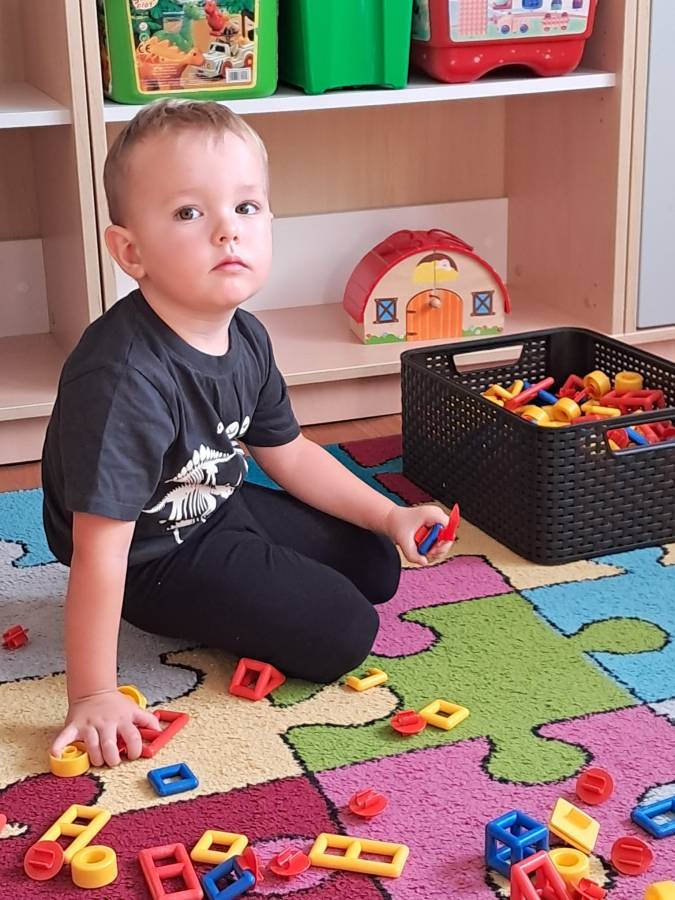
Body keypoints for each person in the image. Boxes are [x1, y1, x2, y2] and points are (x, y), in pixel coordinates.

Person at [42, 99, 452, 768]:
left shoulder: (245, 335)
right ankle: (205, 608)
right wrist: (92, 692)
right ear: (131, 252)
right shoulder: (123, 381)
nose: (227, 231)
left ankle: (272, 575)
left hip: (212, 506)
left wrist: (390, 514)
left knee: (377, 562)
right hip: (148, 557)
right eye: (188, 213)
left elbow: (288, 452)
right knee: (344, 632)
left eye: (245, 207)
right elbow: (100, 551)